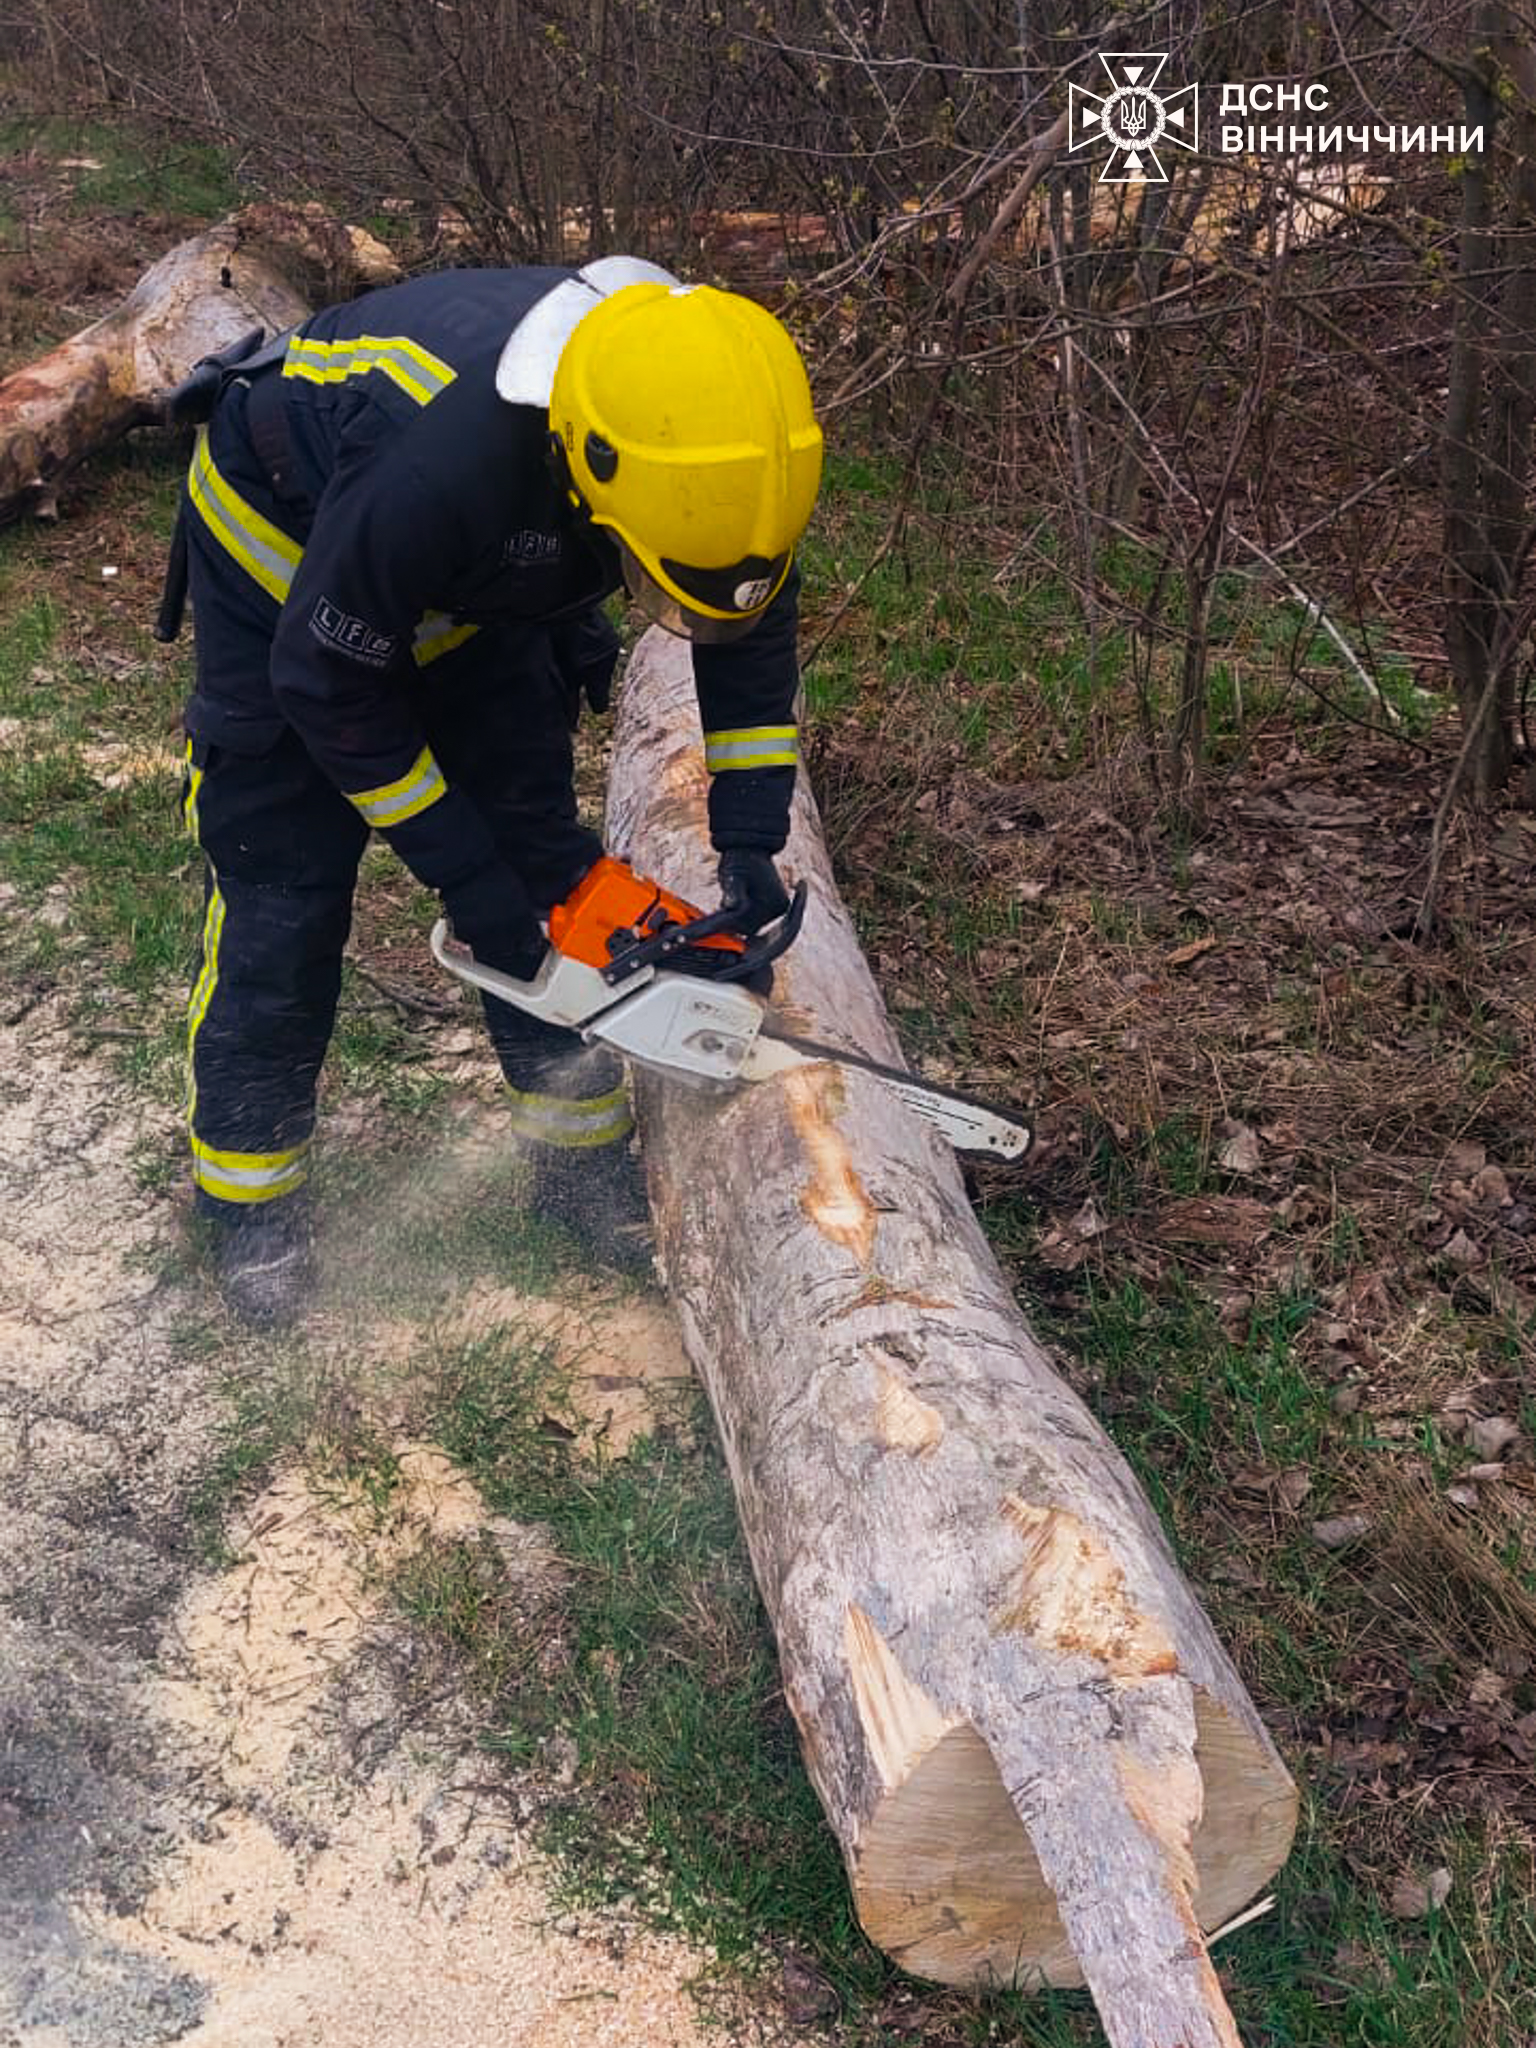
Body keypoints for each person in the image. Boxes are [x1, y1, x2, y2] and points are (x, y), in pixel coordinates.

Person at [166, 257, 823, 1326]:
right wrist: (462, 877)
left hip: (473, 585)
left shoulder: (723, 461)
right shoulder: (445, 455)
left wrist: (749, 837)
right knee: (283, 891)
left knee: (537, 862)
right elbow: (326, 677)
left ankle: (573, 1169)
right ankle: (249, 1194)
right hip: (287, 559)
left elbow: (749, 643)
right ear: (588, 466)